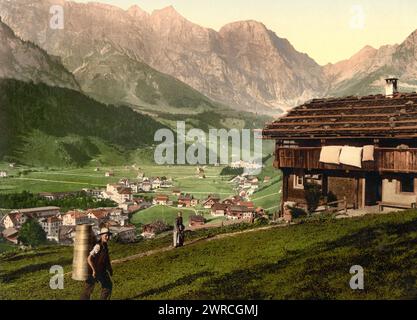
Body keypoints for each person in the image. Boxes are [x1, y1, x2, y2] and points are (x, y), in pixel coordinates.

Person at [80, 227, 113, 300]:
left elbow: (106, 259)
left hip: (101, 271)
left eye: (108, 235)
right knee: (88, 290)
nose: (107, 237)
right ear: (101, 236)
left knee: (107, 286)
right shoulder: (98, 246)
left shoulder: (105, 246)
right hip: (93, 272)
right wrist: (94, 271)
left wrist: (109, 268)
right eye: (106, 236)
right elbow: (89, 259)